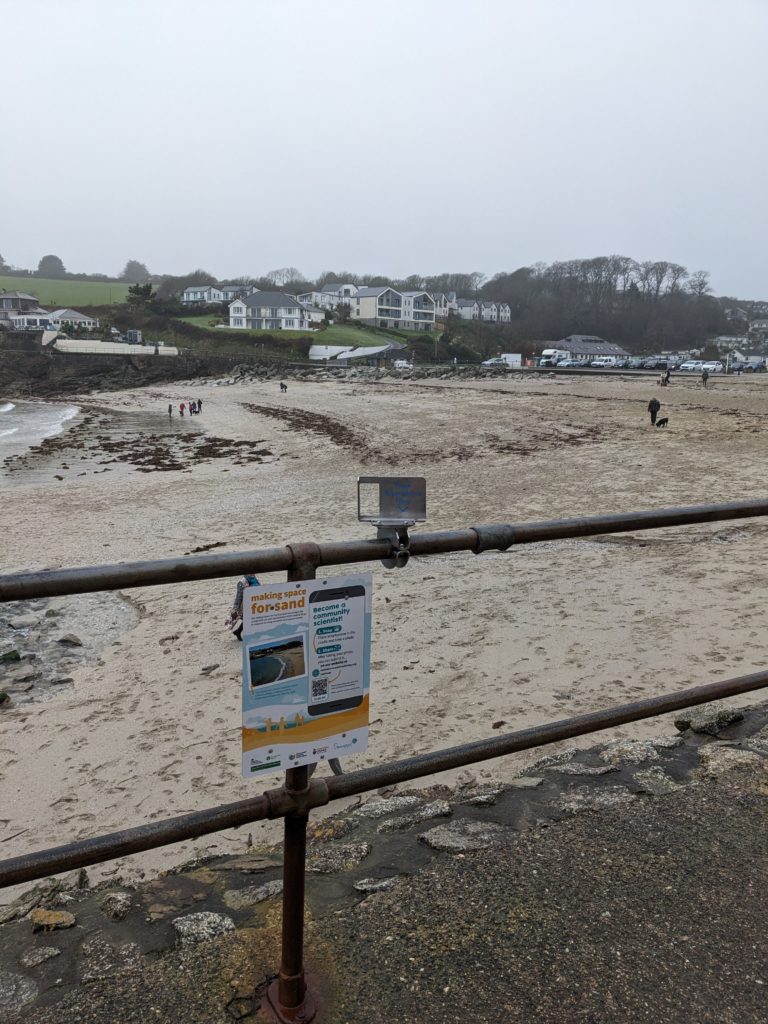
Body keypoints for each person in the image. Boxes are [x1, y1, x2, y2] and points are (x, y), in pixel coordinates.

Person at [226, 573, 260, 640]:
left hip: (254, 603)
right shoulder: (242, 581)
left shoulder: (254, 578)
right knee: (249, 620)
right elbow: (238, 597)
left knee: (250, 619)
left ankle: (238, 632)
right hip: (245, 605)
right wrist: (236, 608)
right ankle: (240, 632)